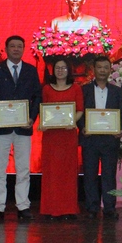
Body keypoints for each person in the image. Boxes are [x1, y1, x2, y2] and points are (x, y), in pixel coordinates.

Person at [0, 35, 42, 221]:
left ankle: (23, 206)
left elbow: (37, 97)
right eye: (12, 46)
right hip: (1, 128)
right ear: (7, 49)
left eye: (19, 46)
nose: (16, 49)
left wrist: (32, 118)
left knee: (23, 169)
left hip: (23, 127)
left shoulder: (31, 71)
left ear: (23, 49)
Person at [79, 56, 122, 219]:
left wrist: (120, 129)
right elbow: (79, 112)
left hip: (109, 139)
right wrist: (82, 127)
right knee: (89, 175)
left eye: (106, 67)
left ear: (110, 70)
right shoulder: (84, 90)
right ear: (94, 69)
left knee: (109, 175)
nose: (103, 70)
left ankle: (109, 208)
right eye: (99, 67)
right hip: (90, 139)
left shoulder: (117, 91)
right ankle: (92, 208)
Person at [40, 57, 83, 219]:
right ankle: (50, 209)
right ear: (53, 70)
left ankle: (68, 209)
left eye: (63, 68)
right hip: (51, 137)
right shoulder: (46, 89)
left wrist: (72, 122)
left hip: (68, 135)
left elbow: (80, 110)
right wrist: (44, 123)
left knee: (68, 172)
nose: (60, 70)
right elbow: (44, 110)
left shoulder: (76, 88)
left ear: (68, 70)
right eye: (57, 68)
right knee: (51, 172)